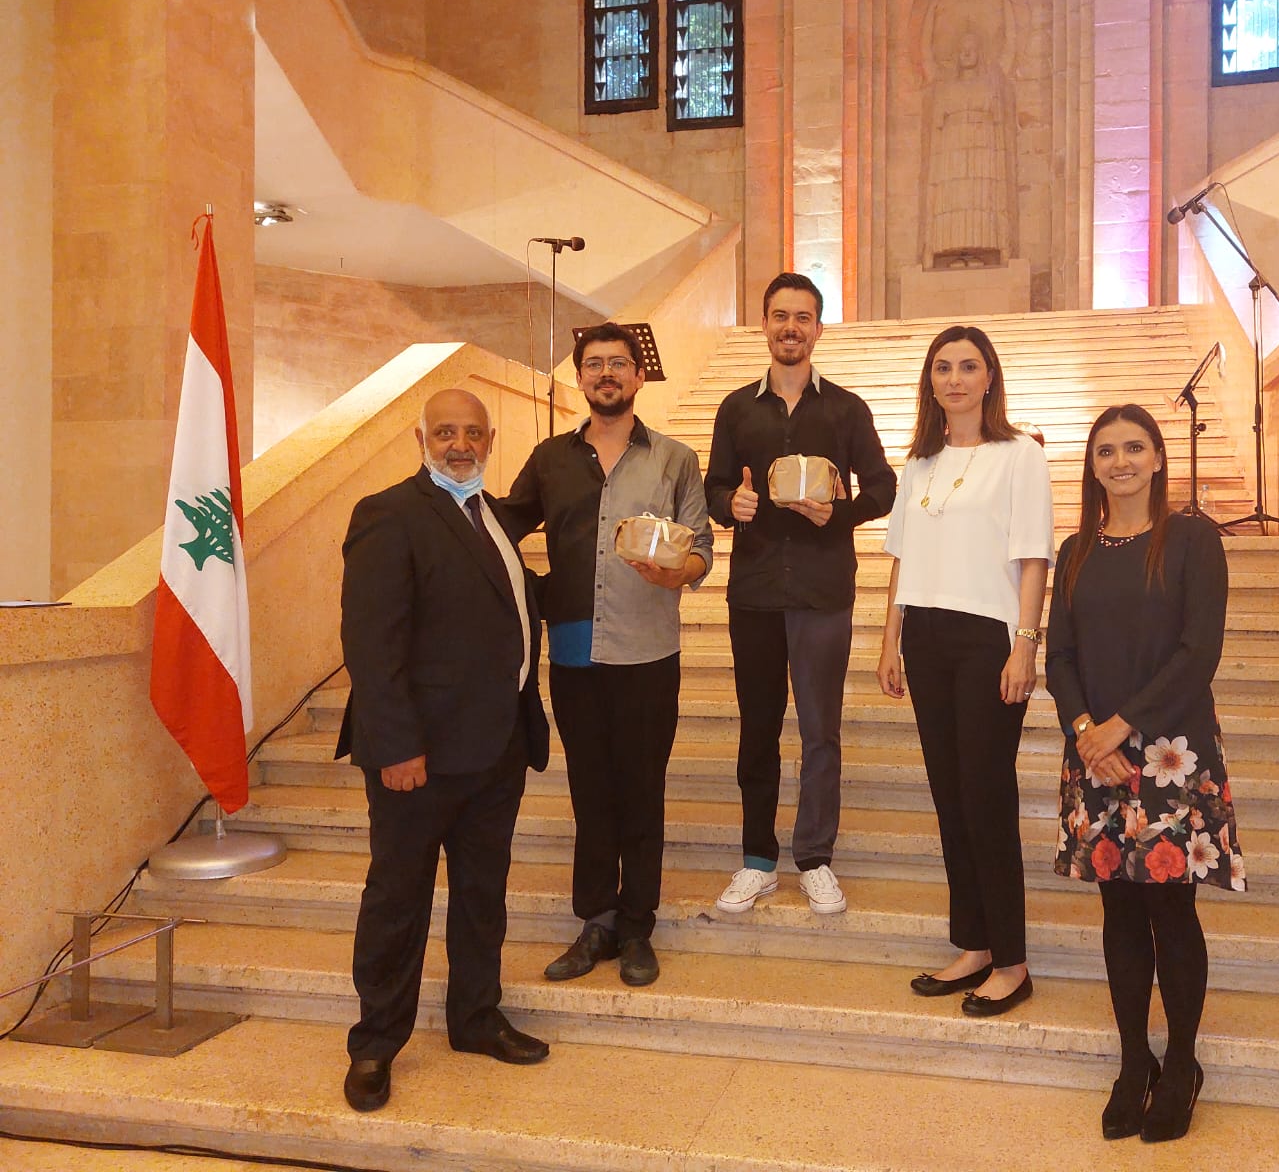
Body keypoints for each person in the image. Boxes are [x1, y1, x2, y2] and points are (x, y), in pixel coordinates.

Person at [335, 388, 552, 1113]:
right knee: (399, 900)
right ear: (420, 437)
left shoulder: (494, 516)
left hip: (495, 749)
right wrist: (396, 745)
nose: (460, 444)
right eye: (446, 432)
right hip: (417, 759)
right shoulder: (389, 514)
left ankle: (475, 1018)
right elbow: (372, 644)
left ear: (492, 440)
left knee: (482, 897)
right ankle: (374, 1044)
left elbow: (501, 610)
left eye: (473, 433)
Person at [1045, 403, 1243, 1143]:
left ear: (1159, 458)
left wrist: (1121, 727)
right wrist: (1085, 734)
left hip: (1170, 753)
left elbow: (1199, 649)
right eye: (1106, 451)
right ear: (1092, 466)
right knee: (1119, 912)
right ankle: (1135, 1063)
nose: (1120, 461)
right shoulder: (1075, 551)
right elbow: (1058, 657)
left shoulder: (1192, 538)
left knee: (1171, 909)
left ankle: (1183, 1063)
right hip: (1094, 755)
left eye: (1134, 448)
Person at [501, 322, 712, 988]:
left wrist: (680, 573)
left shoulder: (674, 458)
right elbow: (505, 526)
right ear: (581, 377)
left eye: (618, 363)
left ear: (638, 376)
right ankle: (596, 919)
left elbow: (702, 544)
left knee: (641, 792)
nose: (606, 374)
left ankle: (637, 925)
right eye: (594, 365)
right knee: (591, 794)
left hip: (649, 650)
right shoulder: (550, 457)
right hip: (574, 653)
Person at [703, 272, 897, 916]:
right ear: (765, 324)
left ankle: (814, 857)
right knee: (757, 731)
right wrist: (731, 504)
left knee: (821, 732)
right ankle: (757, 859)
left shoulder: (846, 409)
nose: (791, 327)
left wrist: (838, 512)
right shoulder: (736, 408)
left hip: (822, 594)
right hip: (754, 593)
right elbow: (713, 489)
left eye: (803, 317)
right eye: (780, 316)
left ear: (818, 328)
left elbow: (884, 488)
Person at [876, 325, 1053, 1016]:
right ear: (931, 381)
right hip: (924, 635)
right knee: (950, 797)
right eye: (943, 367)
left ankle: (1012, 959)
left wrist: (1025, 644)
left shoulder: (1019, 455)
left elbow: (1035, 557)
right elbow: (899, 559)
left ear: (989, 377)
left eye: (968, 366)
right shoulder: (919, 461)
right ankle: (973, 945)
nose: (954, 378)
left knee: (985, 795)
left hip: (988, 639)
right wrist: (889, 638)